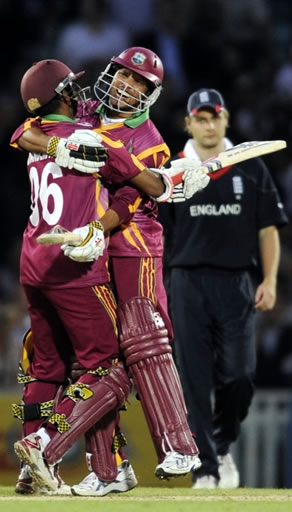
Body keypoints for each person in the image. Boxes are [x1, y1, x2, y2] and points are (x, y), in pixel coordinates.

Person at [12, 56, 207, 495]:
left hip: (127, 246)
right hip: (82, 257)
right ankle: (106, 466)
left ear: (151, 95)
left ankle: (177, 445)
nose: (125, 85)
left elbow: (135, 198)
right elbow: (144, 186)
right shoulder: (86, 119)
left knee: (141, 338)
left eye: (139, 82)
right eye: (122, 74)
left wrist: (104, 223)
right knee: (99, 363)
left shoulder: (146, 137)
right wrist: (165, 183)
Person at [158, 88, 289, 489]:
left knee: (239, 375)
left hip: (236, 281)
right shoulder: (173, 169)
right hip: (186, 282)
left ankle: (223, 445)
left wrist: (268, 280)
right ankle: (206, 469)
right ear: (188, 123)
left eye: (214, 117)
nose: (209, 124)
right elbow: (161, 236)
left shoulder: (250, 166)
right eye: (200, 118)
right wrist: (160, 291)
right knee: (194, 378)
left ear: (226, 119)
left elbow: (267, 229)